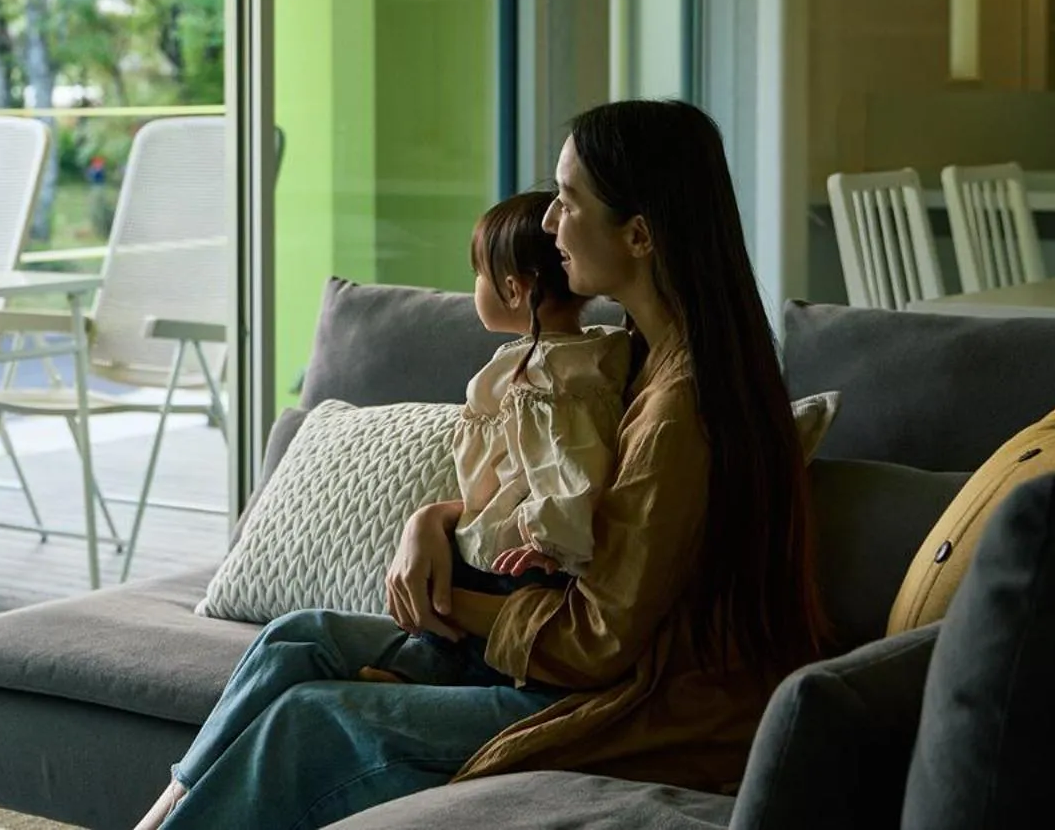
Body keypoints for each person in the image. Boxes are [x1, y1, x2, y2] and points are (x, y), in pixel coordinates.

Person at [137, 100, 826, 830]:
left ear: (640, 233)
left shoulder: (683, 410)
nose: (551, 224)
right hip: (560, 657)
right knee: (297, 638)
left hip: (624, 703)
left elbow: (597, 643)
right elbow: (559, 504)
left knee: (310, 718)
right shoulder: (630, 355)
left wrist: (445, 601)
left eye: (568, 200)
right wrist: (433, 519)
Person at [367, 187, 628, 688]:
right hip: (521, 542)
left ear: (514, 290)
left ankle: (435, 672)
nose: (475, 288)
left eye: (478, 276)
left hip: (526, 553)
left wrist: (551, 539)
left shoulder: (548, 377)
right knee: (458, 567)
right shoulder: (584, 358)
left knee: (468, 582)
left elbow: (570, 464)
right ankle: (427, 665)